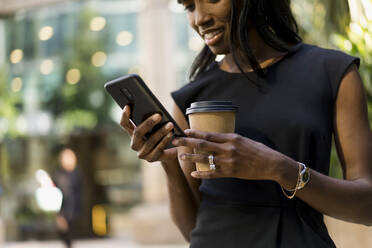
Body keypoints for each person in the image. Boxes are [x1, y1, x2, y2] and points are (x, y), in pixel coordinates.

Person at [119, 0, 372, 247]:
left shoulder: (332, 72)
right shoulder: (191, 98)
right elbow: (192, 230)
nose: (199, 18)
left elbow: (366, 206)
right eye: (188, 7)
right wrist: (169, 163)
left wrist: (279, 168)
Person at [53, 148, 83, 248]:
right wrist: (59, 214)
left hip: (75, 210)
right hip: (62, 210)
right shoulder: (58, 174)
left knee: (72, 235)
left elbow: (80, 193)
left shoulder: (77, 173)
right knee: (65, 235)